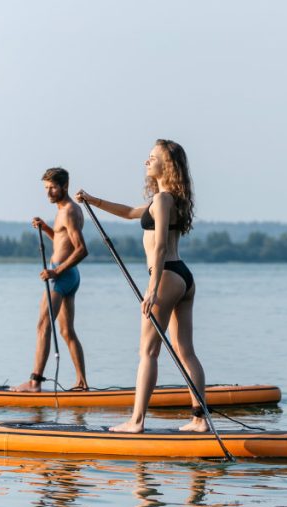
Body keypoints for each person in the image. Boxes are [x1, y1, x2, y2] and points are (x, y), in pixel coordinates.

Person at [75, 139, 206, 432]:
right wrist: (94, 200)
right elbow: (129, 212)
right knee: (185, 351)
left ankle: (136, 421)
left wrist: (152, 287)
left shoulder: (163, 200)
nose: (146, 162)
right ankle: (200, 420)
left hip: (166, 276)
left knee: (147, 353)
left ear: (167, 165)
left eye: (152, 157)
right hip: (183, 277)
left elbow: (159, 247)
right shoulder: (166, 198)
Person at [14, 167, 89, 392]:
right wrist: (46, 227)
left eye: (53, 188)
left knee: (43, 325)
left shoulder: (68, 211)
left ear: (65, 186)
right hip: (69, 276)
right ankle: (82, 383)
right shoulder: (62, 210)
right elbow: (61, 240)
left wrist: (56, 272)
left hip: (63, 275)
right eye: (46, 188)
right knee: (66, 331)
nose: (49, 192)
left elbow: (82, 249)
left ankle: (35, 382)